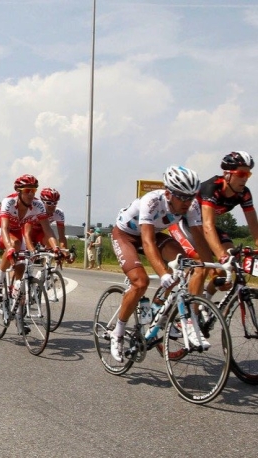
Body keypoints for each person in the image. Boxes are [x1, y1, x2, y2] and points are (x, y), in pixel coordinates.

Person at [109, 165, 208, 362]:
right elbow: (147, 242)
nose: (187, 202)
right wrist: (163, 274)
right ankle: (118, 332)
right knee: (141, 282)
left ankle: (164, 312)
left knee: (190, 267)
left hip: (154, 234)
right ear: (169, 193)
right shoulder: (152, 201)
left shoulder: (192, 205)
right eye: (182, 196)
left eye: (191, 196)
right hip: (126, 236)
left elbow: (200, 238)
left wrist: (210, 267)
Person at [0, 176, 59, 301]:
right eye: (27, 190)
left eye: (34, 190)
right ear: (18, 191)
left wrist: (56, 248)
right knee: (14, 244)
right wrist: (9, 248)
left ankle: (17, 287)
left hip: (15, 231)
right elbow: (4, 228)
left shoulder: (38, 205)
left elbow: (48, 230)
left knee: (23, 261)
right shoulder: (9, 202)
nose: (31, 194)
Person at [198, 151, 256, 298]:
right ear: (227, 174)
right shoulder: (212, 189)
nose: (245, 179)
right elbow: (208, 225)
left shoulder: (244, 193)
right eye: (241, 174)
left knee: (233, 261)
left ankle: (206, 303)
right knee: (203, 267)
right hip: (188, 225)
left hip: (206, 227)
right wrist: (222, 257)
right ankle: (189, 312)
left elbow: (254, 227)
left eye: (248, 175)